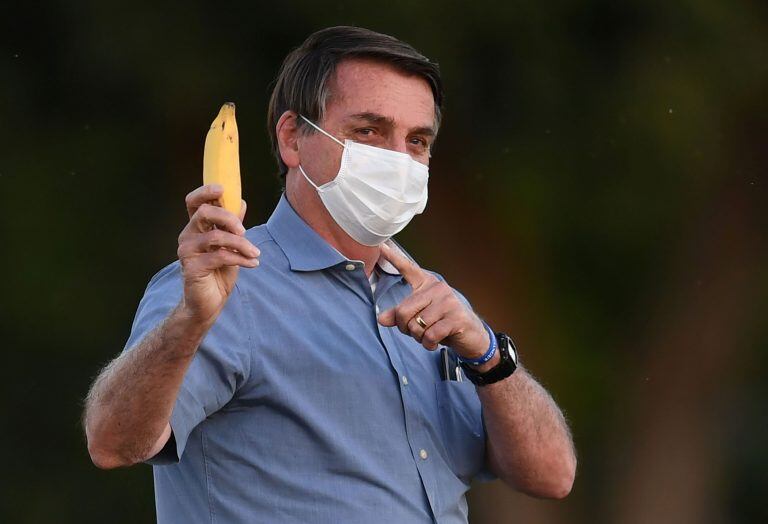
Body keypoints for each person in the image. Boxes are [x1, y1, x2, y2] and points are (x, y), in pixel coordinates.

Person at [83, 26, 576, 523]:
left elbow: (552, 477)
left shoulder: (433, 302)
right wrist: (189, 321)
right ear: (293, 137)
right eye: (369, 131)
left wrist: (489, 356)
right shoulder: (222, 283)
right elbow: (112, 443)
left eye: (418, 141)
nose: (398, 159)